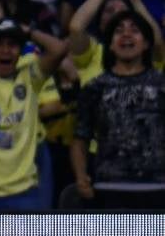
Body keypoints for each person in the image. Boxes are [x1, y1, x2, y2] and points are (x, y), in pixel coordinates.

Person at [69, 11, 165, 209]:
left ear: (146, 43)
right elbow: (80, 138)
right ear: (110, 45)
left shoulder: (161, 84)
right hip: (108, 187)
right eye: (119, 31)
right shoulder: (95, 88)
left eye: (134, 31)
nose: (126, 35)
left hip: (158, 186)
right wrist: (80, 176)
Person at [0, 18, 67, 212]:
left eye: (12, 45)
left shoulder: (31, 76)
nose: (5, 51)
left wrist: (29, 30)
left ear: (21, 49)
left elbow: (59, 49)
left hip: (25, 192)